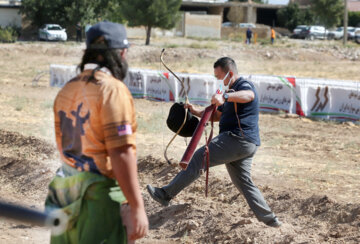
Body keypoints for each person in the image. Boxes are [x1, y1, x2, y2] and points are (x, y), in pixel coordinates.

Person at [147, 57, 282, 228]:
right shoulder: (231, 93)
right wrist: (194, 111)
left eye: (219, 76)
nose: (218, 80)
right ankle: (271, 220)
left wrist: (225, 96)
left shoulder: (242, 86)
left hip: (237, 138)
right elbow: (216, 116)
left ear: (230, 73)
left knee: (198, 158)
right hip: (246, 143)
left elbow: (249, 96)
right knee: (244, 183)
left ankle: (165, 194)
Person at [45, 21, 149, 243]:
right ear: (121, 53)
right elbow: (121, 152)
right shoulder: (113, 90)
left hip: (65, 197)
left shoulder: (68, 88)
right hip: (98, 202)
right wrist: (137, 206)